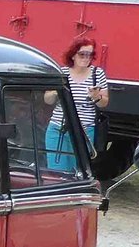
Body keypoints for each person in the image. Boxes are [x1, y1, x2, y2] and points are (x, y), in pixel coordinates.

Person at [44, 36, 109, 171]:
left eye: (90, 55)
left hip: (84, 131)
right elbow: (47, 100)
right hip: (58, 128)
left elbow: (104, 103)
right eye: (82, 54)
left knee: (78, 172)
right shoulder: (62, 72)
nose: (86, 58)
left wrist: (96, 97)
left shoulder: (97, 74)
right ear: (73, 55)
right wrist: (57, 92)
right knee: (56, 172)